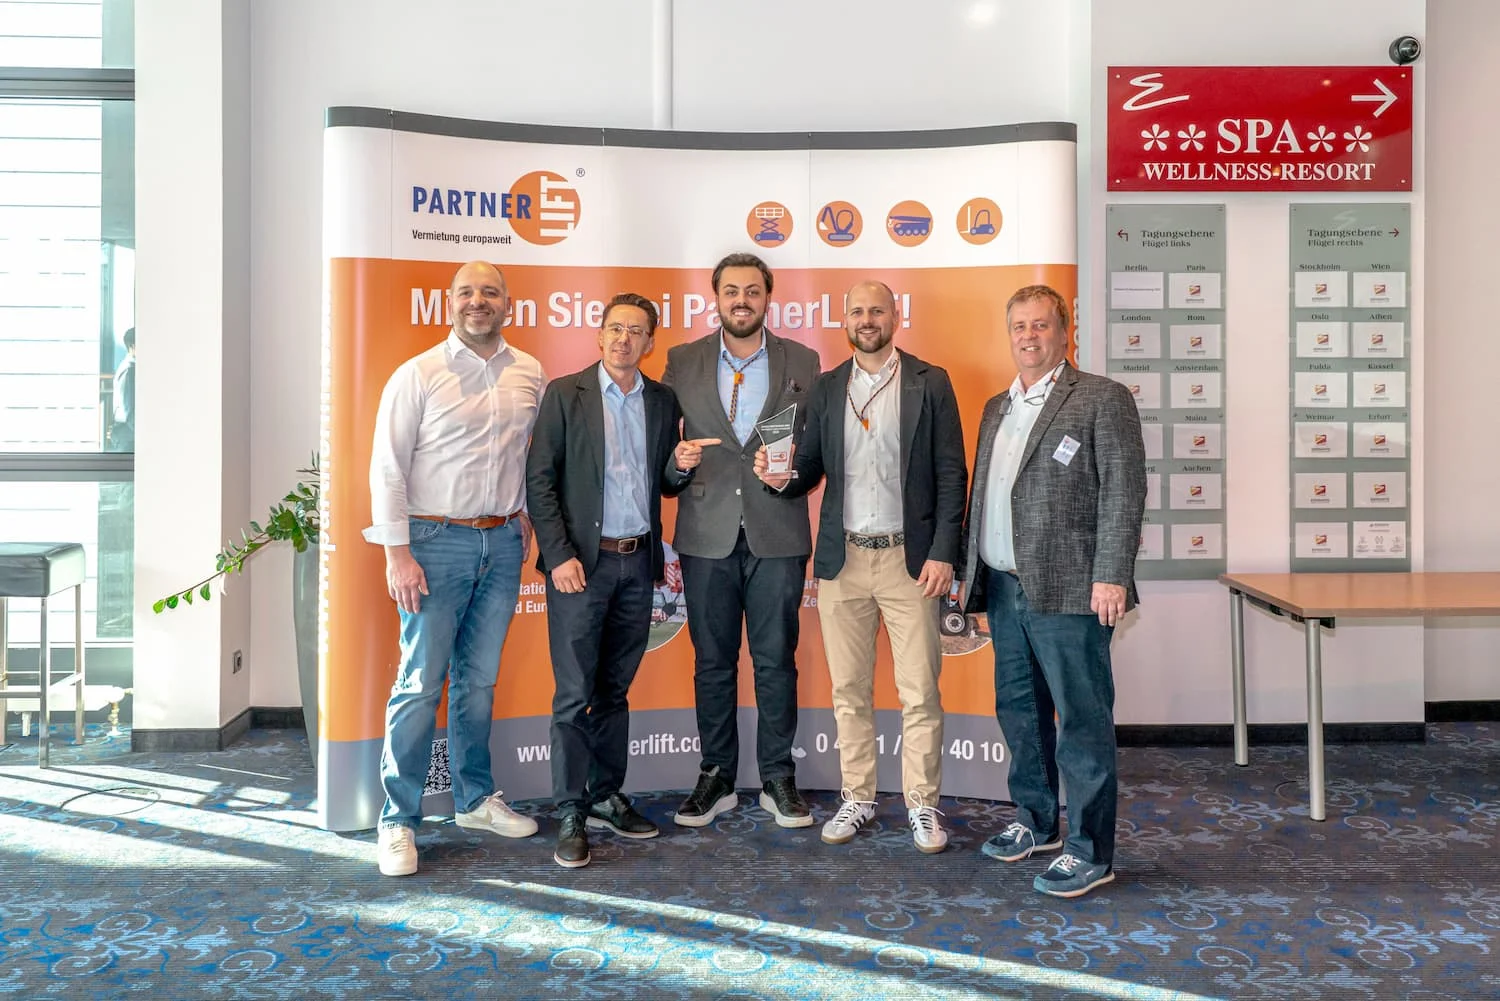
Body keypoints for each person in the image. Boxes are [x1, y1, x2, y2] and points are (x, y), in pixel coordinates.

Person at [754, 280, 967, 852]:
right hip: (843, 560)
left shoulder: (930, 381)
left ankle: (922, 805)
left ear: (895, 316)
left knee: (919, 691)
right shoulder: (827, 387)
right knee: (849, 689)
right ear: (843, 320)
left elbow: (952, 473)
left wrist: (945, 550)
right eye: (857, 311)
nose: (867, 319)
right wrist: (781, 477)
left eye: (877, 310)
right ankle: (859, 797)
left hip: (910, 561)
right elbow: (811, 468)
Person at [957, 284, 1146, 898]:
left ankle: (1092, 850)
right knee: (1021, 712)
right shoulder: (996, 407)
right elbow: (985, 497)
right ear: (1008, 333)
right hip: (1007, 588)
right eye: (1019, 326)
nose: (1029, 336)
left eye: (1041, 326)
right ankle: (1035, 822)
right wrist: (972, 578)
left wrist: (1112, 574)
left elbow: (1123, 490)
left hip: (1073, 590)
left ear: (1064, 332)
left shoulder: (1100, 398)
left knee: (1081, 720)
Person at [363, 260, 546, 877]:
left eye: (489, 292)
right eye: (466, 292)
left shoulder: (529, 373)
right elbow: (387, 468)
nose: (478, 301)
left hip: (501, 545)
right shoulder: (417, 375)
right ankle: (398, 820)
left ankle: (473, 799)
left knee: (479, 681)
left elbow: (531, 456)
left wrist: (523, 516)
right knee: (420, 683)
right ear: (450, 302)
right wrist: (397, 552)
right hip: (432, 543)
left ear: (506, 304)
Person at [525, 293, 715, 869]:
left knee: (613, 691)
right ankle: (571, 811)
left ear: (650, 342)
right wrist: (558, 556)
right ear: (598, 335)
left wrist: (679, 467)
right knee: (574, 695)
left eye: (635, 331)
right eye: (614, 328)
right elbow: (540, 482)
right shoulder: (566, 394)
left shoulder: (662, 400)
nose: (623, 339)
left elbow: (663, 484)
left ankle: (606, 794)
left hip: (638, 564)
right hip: (582, 566)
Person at [661, 252, 821, 828]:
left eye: (752, 291)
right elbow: (665, 456)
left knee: (777, 660)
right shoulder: (682, 362)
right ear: (716, 298)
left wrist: (794, 475)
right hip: (705, 535)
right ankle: (717, 776)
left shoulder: (803, 361)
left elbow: (811, 454)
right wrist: (675, 469)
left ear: (768, 297)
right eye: (731, 291)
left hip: (778, 532)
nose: (742, 301)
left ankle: (779, 777)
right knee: (713, 662)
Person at [108, 327, 135, 452]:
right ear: (132, 346)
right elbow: (127, 410)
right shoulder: (129, 370)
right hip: (127, 434)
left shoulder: (130, 368)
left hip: (127, 433)